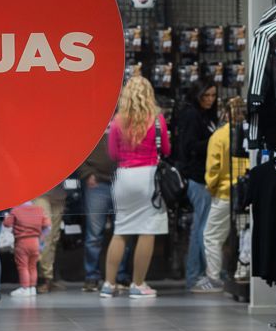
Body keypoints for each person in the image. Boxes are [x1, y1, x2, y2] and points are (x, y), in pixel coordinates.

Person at [103, 75, 171, 299]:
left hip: (124, 177)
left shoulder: (117, 121)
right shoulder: (158, 119)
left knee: (121, 229)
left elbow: (112, 154)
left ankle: (108, 284)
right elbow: (167, 150)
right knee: (147, 230)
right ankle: (138, 284)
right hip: (149, 176)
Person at [173, 80, 220, 292]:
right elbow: (189, 146)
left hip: (206, 177)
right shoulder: (192, 115)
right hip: (197, 177)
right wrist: (215, 141)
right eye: (206, 95)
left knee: (203, 227)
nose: (210, 99)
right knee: (201, 228)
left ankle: (202, 273)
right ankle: (196, 275)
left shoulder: (206, 115)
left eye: (212, 95)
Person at [202, 96, 250, 293]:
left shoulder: (219, 136)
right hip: (247, 190)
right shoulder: (249, 133)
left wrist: (212, 187)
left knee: (212, 236)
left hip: (225, 192)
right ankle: (242, 271)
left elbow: (213, 168)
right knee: (244, 232)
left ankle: (213, 278)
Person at [76, 130, 115, 291]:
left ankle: (121, 277)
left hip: (121, 180)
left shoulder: (123, 117)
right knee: (94, 235)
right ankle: (91, 277)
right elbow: (78, 150)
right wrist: (87, 174)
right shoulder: (93, 121)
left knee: (122, 233)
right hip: (96, 182)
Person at [5, 198, 51, 298]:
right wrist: (41, 240)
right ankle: (32, 288)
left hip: (22, 242)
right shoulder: (39, 209)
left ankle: (25, 288)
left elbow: (6, 224)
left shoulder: (16, 210)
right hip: (35, 242)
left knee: (23, 266)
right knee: (33, 266)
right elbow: (48, 227)